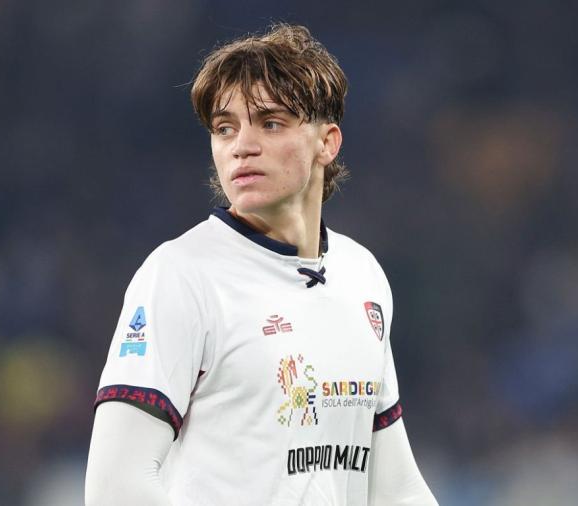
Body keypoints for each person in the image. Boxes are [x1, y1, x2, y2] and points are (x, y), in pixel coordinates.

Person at [85, 24, 437, 506]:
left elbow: (394, 489)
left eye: (270, 123)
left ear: (327, 142)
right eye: (225, 128)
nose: (241, 146)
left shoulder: (362, 276)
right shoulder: (181, 275)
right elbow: (115, 488)